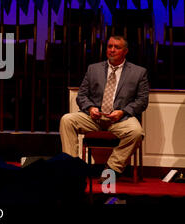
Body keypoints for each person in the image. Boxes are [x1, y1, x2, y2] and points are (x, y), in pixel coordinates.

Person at [59, 35, 149, 179]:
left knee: (137, 132)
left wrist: (122, 111)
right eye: (109, 46)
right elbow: (81, 95)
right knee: (67, 120)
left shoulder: (138, 72)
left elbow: (142, 101)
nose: (112, 50)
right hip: (94, 117)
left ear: (125, 51)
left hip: (120, 119)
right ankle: (71, 167)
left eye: (117, 47)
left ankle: (112, 168)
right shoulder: (93, 69)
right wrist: (90, 108)